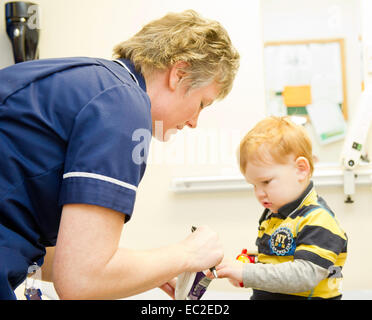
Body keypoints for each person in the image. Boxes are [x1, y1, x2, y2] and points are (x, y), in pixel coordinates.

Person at [0, 10, 240, 299]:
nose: (194, 122)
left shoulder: (88, 80)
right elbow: (80, 281)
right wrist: (188, 253)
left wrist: (147, 270)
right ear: (180, 73)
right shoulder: (123, 105)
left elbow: (55, 257)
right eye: (202, 103)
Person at [213, 116, 348, 300]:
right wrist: (251, 263)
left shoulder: (319, 220)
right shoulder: (275, 215)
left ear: (301, 169)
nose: (259, 193)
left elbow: (305, 275)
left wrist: (248, 273)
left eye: (266, 182)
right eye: (253, 185)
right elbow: (278, 259)